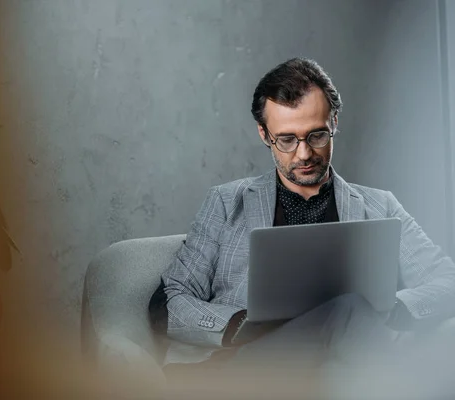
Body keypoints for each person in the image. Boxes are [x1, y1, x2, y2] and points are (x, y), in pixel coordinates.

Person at [148, 58, 455, 385]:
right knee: (349, 310)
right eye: (287, 140)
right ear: (264, 134)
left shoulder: (381, 206)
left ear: (334, 122)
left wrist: (390, 309)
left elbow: (447, 282)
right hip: (249, 363)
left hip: (340, 363)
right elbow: (167, 302)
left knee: (351, 314)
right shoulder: (226, 203)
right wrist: (238, 324)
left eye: (316, 135)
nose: (304, 154)